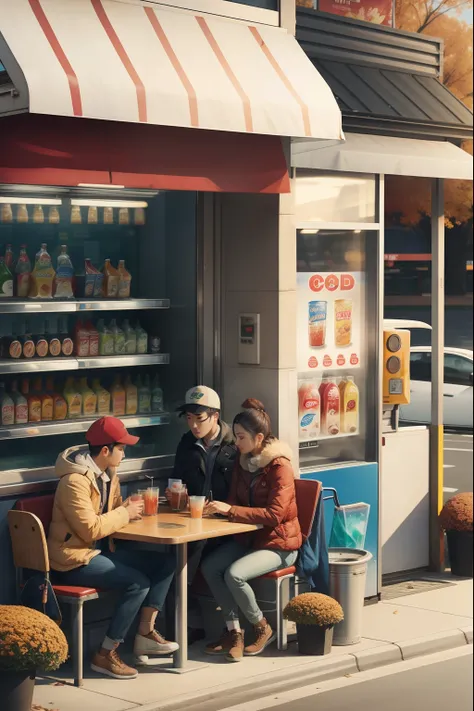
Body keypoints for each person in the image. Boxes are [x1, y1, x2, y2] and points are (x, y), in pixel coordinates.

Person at [47, 416, 179, 680]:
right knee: (137, 582)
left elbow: (114, 512)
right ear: (105, 450)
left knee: (165, 563)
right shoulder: (74, 482)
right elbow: (90, 529)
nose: (125, 452)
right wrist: (124, 512)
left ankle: (144, 633)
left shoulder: (107, 474)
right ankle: (105, 654)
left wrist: (130, 510)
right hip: (72, 560)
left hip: (99, 553)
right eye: (122, 448)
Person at [201, 399, 302, 663]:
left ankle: (261, 626)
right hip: (250, 539)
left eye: (241, 437)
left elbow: (275, 515)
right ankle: (234, 631)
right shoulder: (242, 461)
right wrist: (218, 510)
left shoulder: (280, 466)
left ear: (259, 437)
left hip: (279, 544)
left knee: (234, 574)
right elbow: (234, 501)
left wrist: (230, 511)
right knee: (210, 566)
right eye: (235, 436)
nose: (236, 443)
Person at [172, 386, 237, 503]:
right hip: (192, 513)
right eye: (189, 418)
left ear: (215, 416)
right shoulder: (186, 443)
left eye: (199, 418)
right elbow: (176, 479)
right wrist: (173, 492)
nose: (194, 425)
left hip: (225, 516)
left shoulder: (234, 443)